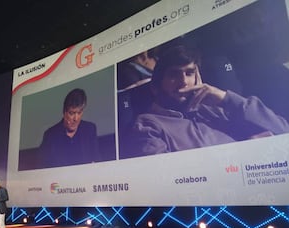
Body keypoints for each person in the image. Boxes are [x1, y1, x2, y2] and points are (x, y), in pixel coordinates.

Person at [124, 45, 289, 158]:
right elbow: (168, 181)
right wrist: (243, 153)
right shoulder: (148, 125)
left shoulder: (216, 109)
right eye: (174, 74)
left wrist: (226, 98)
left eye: (189, 73)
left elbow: (282, 130)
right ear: (155, 87)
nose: (184, 82)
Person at [38, 88, 100, 168]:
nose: (76, 118)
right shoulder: (50, 135)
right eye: (72, 113)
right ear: (64, 112)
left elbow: (97, 161)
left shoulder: (90, 129)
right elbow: (42, 167)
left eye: (79, 112)